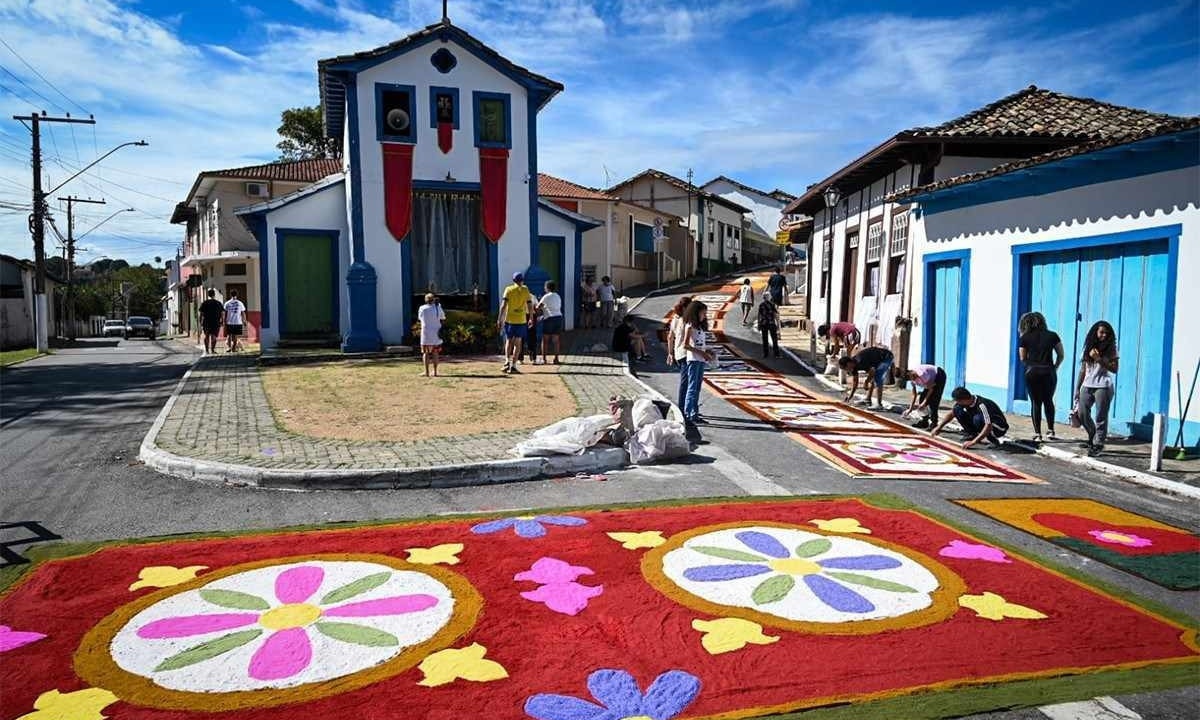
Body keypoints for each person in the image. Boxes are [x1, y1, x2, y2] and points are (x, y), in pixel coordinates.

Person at [1018, 311, 1065, 442]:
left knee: (1035, 402)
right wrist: (1055, 367)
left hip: (1032, 372)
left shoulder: (1025, 338)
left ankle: (1038, 434)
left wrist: (1031, 365)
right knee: (1048, 400)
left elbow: (1022, 357)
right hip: (1048, 371)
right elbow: (1061, 354)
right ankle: (1051, 430)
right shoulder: (1052, 335)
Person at [1074, 320, 1119, 457]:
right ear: (1095, 332)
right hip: (1087, 385)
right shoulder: (1088, 347)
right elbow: (1083, 369)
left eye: (1106, 333)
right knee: (1081, 413)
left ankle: (1098, 443)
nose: (1103, 335)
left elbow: (1115, 369)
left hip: (1103, 386)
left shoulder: (1112, 349)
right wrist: (1077, 388)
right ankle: (1092, 437)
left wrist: (1099, 359)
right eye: (1101, 332)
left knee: (1101, 416)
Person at [932, 387, 1009, 449]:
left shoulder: (982, 405)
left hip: (998, 428)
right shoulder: (963, 403)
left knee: (977, 419)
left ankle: (994, 441)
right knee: (957, 410)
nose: (957, 403)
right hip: (986, 423)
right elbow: (952, 413)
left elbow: (988, 425)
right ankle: (972, 434)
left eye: (958, 401)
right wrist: (939, 427)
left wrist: (973, 442)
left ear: (964, 400)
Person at [681, 300, 716, 424]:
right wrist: (702, 353)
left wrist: (708, 352)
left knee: (697, 388)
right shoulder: (690, 326)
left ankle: (694, 413)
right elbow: (685, 345)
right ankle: (687, 414)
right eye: (703, 313)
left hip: (701, 359)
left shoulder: (700, 327)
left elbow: (701, 345)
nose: (704, 316)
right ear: (696, 313)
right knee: (692, 387)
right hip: (694, 359)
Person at [496, 272, 534, 374]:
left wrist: (499, 319)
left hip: (510, 319)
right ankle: (513, 365)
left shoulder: (508, 289)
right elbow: (530, 305)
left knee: (508, 340)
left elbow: (503, 305)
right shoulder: (526, 290)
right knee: (518, 343)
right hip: (521, 320)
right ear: (522, 280)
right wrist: (531, 318)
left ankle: (507, 361)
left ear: (513, 280)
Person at [665, 295, 693, 413]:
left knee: (686, 380)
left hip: (677, 352)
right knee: (686, 381)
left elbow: (670, 337)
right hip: (684, 353)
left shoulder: (674, 319)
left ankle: (685, 406)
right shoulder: (684, 320)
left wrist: (670, 353)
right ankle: (682, 407)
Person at [905, 363, 946, 429]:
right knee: (922, 398)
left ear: (911, 373)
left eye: (912, 377)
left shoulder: (923, 375)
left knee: (934, 400)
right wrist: (910, 409)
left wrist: (924, 403)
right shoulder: (912, 379)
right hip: (930, 381)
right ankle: (924, 421)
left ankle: (934, 423)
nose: (912, 379)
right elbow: (914, 395)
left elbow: (931, 389)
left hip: (939, 375)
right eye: (910, 379)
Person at [417, 293, 446, 377]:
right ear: (433, 299)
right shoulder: (438, 307)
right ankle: (435, 371)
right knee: (435, 352)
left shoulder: (422, 308)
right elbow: (443, 317)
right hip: (436, 332)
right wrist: (438, 306)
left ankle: (426, 372)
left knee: (425, 353)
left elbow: (420, 318)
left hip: (426, 333)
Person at [537, 280, 563, 365]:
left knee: (545, 340)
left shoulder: (546, 296)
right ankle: (556, 359)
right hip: (558, 317)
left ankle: (544, 359)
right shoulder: (558, 296)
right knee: (556, 340)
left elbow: (538, 307)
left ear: (547, 288)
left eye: (545, 287)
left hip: (549, 319)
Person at [198, 289, 224, 355]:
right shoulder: (218, 303)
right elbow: (222, 313)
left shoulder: (204, 303)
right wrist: (222, 321)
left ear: (208, 295)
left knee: (206, 336)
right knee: (214, 336)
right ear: (214, 295)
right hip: (216, 322)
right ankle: (212, 350)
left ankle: (207, 350)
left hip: (206, 322)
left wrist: (200, 322)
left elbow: (201, 314)